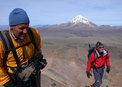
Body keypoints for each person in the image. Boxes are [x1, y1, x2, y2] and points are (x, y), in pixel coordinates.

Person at [0, 8, 47, 87]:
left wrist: (38, 59)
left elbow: (37, 49)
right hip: (14, 79)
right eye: (21, 28)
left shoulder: (34, 33)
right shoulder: (2, 42)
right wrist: (7, 82)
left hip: (33, 74)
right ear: (11, 27)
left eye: (27, 27)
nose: (25, 32)